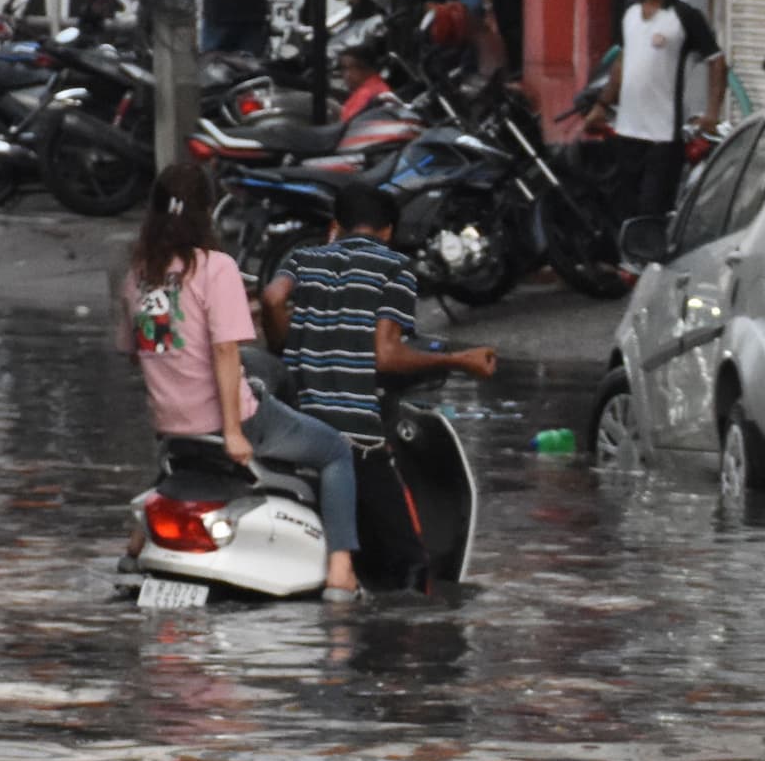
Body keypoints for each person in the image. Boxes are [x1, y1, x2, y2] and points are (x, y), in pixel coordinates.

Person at [122, 162, 370, 598]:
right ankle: (340, 569)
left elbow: (146, 348)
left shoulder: (139, 275)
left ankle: (134, 547)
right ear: (206, 210)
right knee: (335, 451)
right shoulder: (215, 268)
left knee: (178, 456)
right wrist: (235, 432)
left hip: (171, 426)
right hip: (230, 423)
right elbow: (224, 351)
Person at [262, 183, 499, 451]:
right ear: (388, 231)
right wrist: (458, 360)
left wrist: (281, 345)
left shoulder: (301, 258)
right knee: (386, 491)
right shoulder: (395, 267)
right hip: (352, 431)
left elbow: (272, 299)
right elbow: (386, 355)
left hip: (294, 418)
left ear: (336, 225)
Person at [571, 0, 725, 269]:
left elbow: (717, 60)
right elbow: (623, 61)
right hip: (627, 129)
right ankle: (628, 268)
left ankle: (652, 272)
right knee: (624, 205)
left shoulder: (685, 16)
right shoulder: (628, 11)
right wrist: (602, 104)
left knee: (652, 209)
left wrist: (712, 113)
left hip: (663, 134)